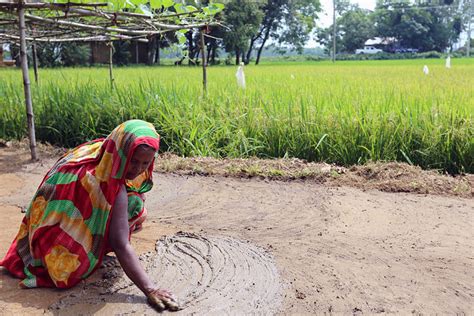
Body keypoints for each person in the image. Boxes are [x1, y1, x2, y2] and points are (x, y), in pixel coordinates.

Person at [0, 119, 179, 312]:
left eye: (146, 162)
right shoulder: (111, 186)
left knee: (133, 197)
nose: (138, 169)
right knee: (134, 204)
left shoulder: (97, 150)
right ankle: (91, 248)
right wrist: (150, 288)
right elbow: (120, 243)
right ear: (121, 152)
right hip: (57, 257)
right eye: (133, 161)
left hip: (38, 233)